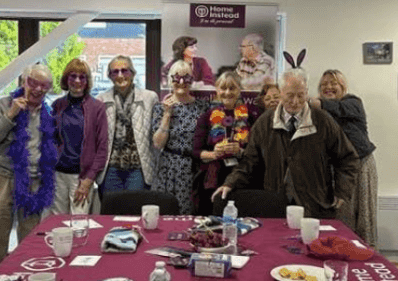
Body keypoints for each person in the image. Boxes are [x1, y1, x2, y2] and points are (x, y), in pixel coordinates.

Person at [212, 68, 359, 222]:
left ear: (307, 92)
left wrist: (342, 190)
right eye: (290, 96)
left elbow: (348, 158)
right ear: (281, 93)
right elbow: (249, 161)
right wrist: (230, 183)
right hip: (276, 204)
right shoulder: (265, 122)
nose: (295, 101)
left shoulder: (322, 120)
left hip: (315, 204)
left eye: (301, 95)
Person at [0, 62, 59, 278]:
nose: (38, 89)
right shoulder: (4, 104)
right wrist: (11, 115)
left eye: (45, 86)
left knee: (30, 245)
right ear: (24, 82)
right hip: (3, 179)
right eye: (33, 83)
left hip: (34, 183)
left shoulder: (49, 111)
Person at [309, 69, 379, 247]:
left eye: (333, 84)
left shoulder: (353, 103)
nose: (328, 87)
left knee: (363, 213)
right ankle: (343, 249)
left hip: (361, 164)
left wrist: (319, 103)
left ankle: (366, 252)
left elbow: (338, 107)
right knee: (342, 213)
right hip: (338, 168)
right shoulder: (319, 113)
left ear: (343, 87)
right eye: (324, 85)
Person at [191, 70, 260, 215]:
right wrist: (214, 154)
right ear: (217, 89)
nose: (227, 92)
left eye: (232, 88)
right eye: (223, 88)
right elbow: (196, 152)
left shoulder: (251, 117)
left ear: (239, 90)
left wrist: (239, 151)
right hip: (212, 178)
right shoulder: (206, 116)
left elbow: (256, 153)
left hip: (240, 178)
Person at [47, 58, 109, 216]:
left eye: (82, 77)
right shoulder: (57, 105)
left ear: (87, 81)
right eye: (72, 76)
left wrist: (89, 179)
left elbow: (102, 148)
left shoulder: (97, 108)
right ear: (66, 79)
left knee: (79, 223)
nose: (77, 81)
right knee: (57, 223)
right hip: (58, 174)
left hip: (81, 177)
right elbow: (51, 140)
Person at [96, 55, 159, 195]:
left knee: (134, 212)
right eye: (115, 72)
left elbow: (155, 136)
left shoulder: (149, 98)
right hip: (110, 168)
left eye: (124, 71)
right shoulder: (101, 100)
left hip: (138, 167)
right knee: (110, 212)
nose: (120, 75)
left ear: (133, 73)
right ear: (109, 76)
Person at [151, 60, 208, 215]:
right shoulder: (160, 108)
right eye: (177, 78)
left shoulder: (203, 107)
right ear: (171, 80)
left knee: (189, 213)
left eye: (186, 78)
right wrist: (167, 114)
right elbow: (157, 143)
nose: (182, 82)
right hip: (168, 166)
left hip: (192, 167)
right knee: (166, 212)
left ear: (192, 80)